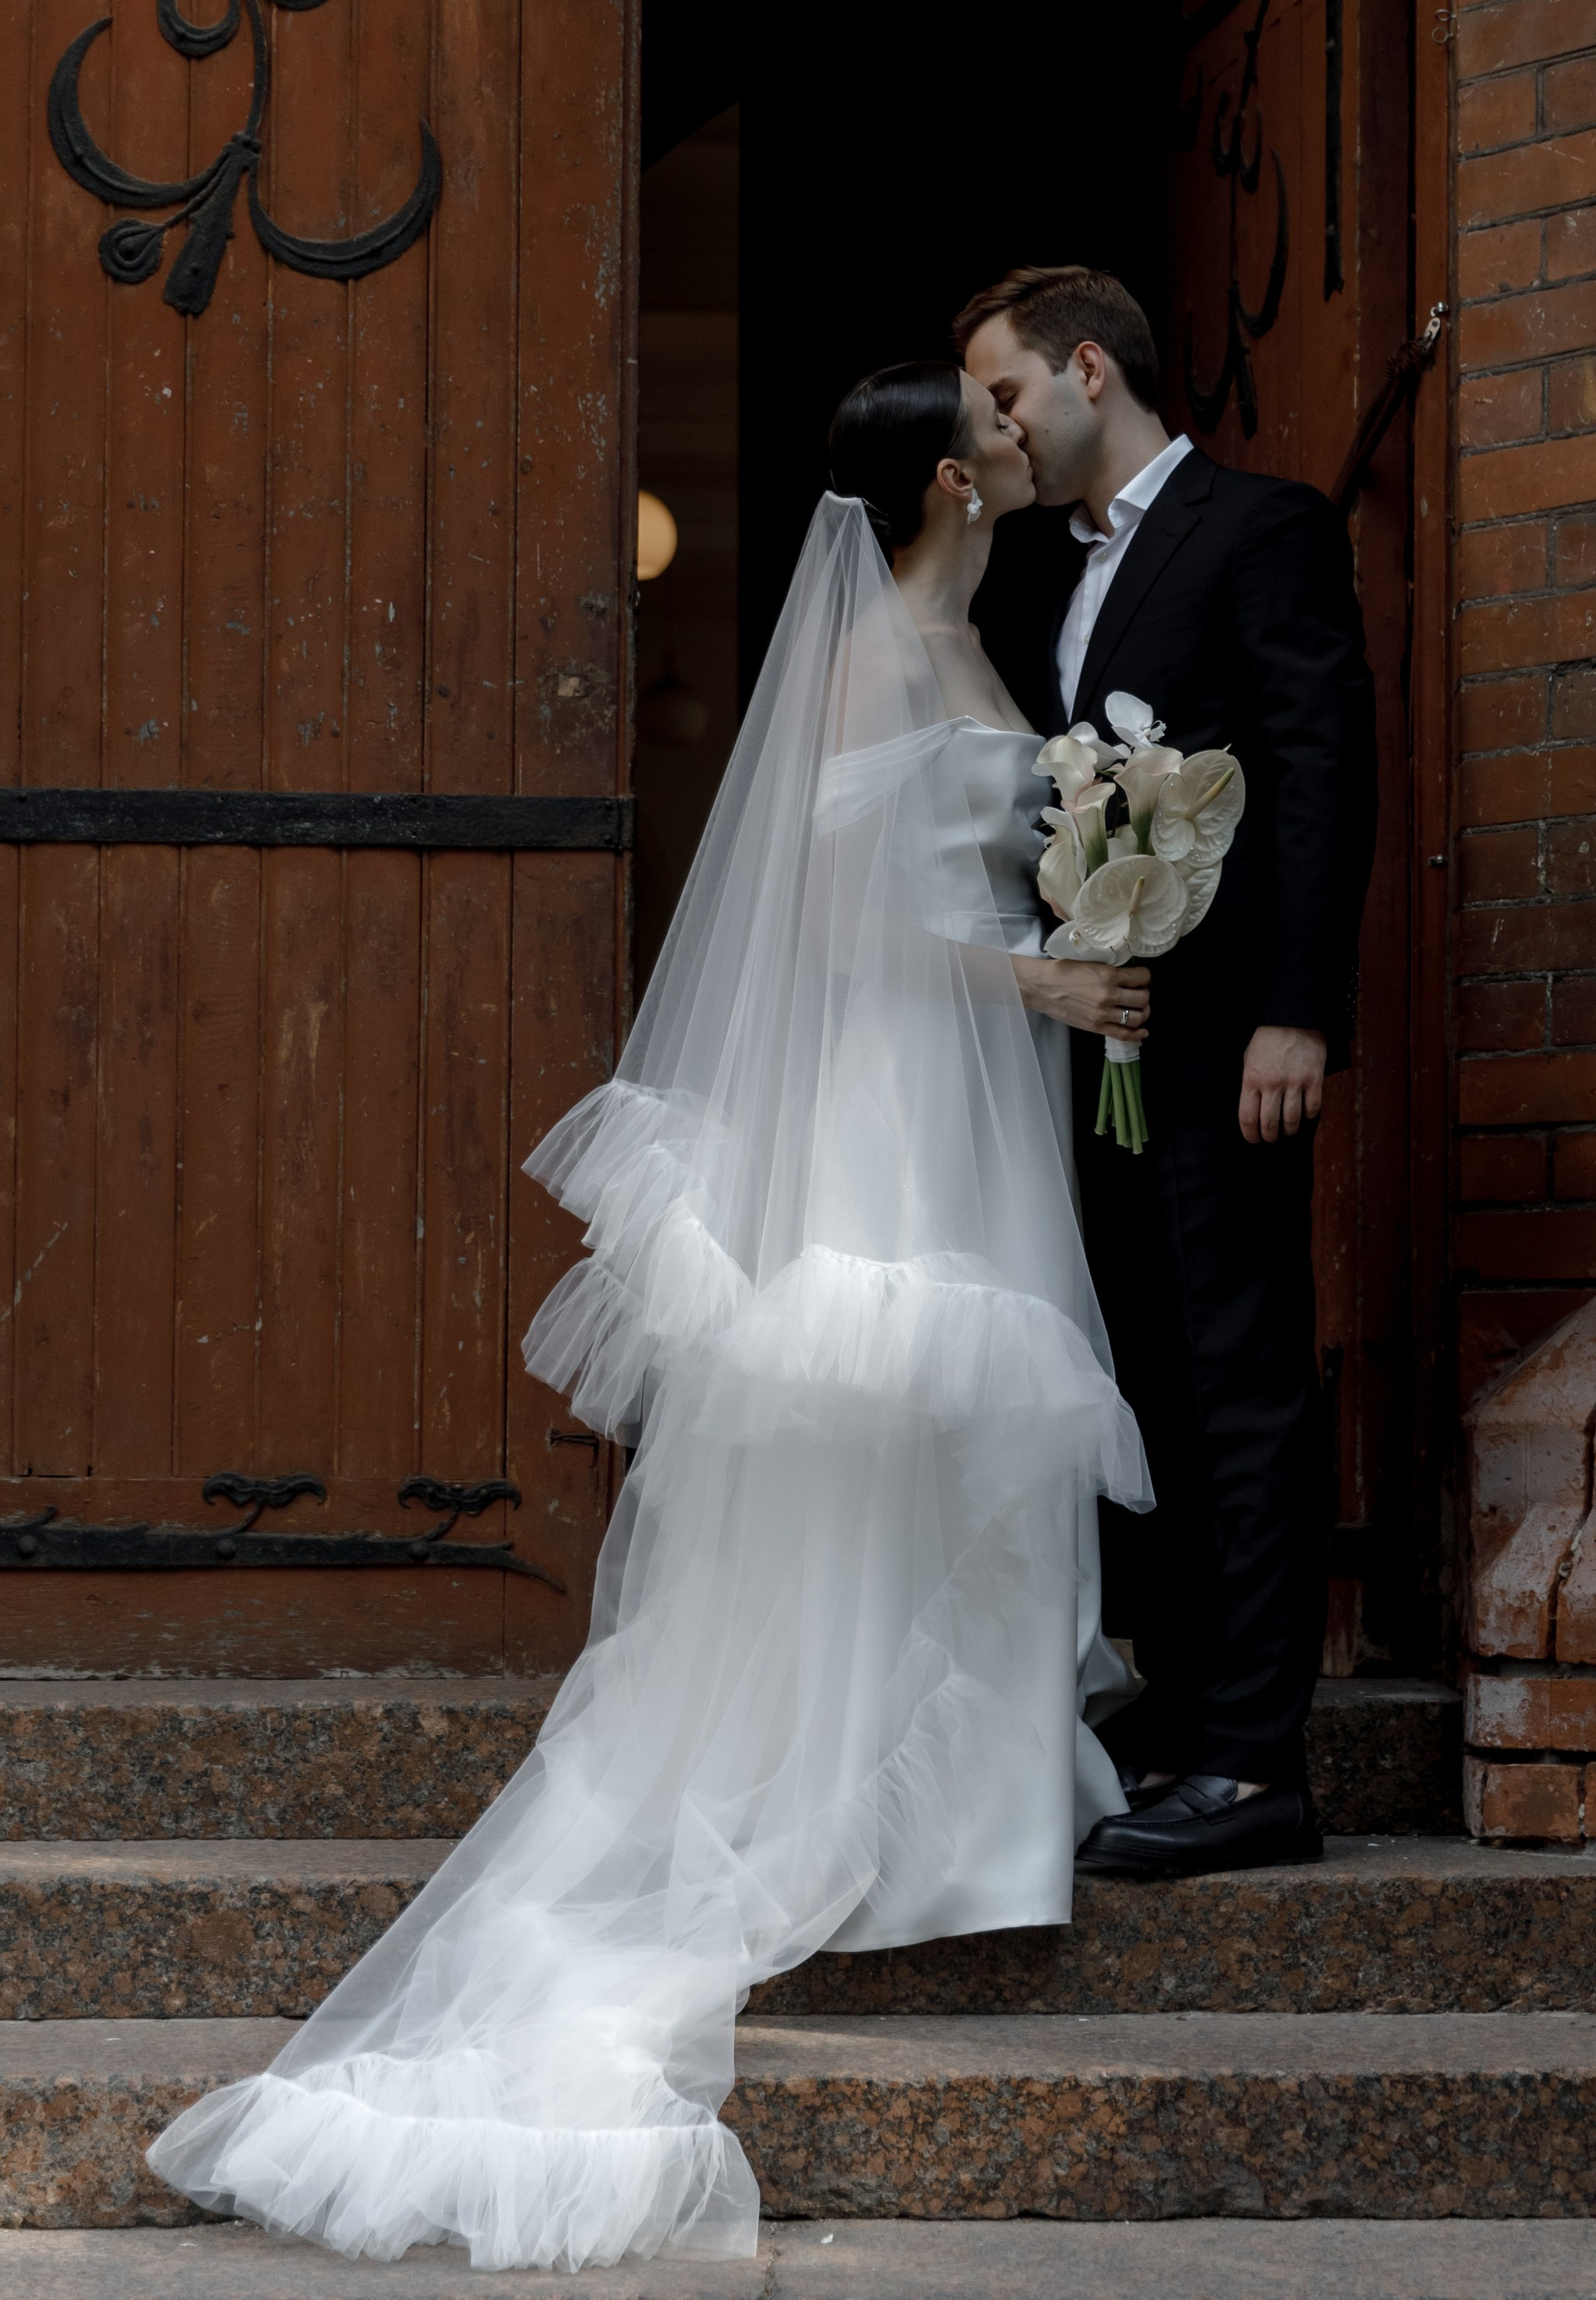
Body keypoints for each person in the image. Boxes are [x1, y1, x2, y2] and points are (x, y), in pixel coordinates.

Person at [145, 362, 1150, 2274]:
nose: (1028, 430)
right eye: (1000, 422)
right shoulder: (869, 659)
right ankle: (858, 1816)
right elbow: (834, 928)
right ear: (951, 474)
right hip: (891, 1091)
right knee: (873, 1411)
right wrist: (1033, 994)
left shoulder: (965, 631)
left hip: (975, 1098)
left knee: (945, 1426)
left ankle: (969, 1818)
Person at [957, 265, 1376, 1880]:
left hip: (1227, 1043)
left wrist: (1298, 1012)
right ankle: (1191, 1698)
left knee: (1242, 1377)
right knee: (1149, 1377)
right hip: (1113, 1048)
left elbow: (1317, 768)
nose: (997, 424)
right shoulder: (1035, 579)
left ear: (1083, 370)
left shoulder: (1256, 528)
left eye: (1004, 393)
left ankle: (1257, 1764)